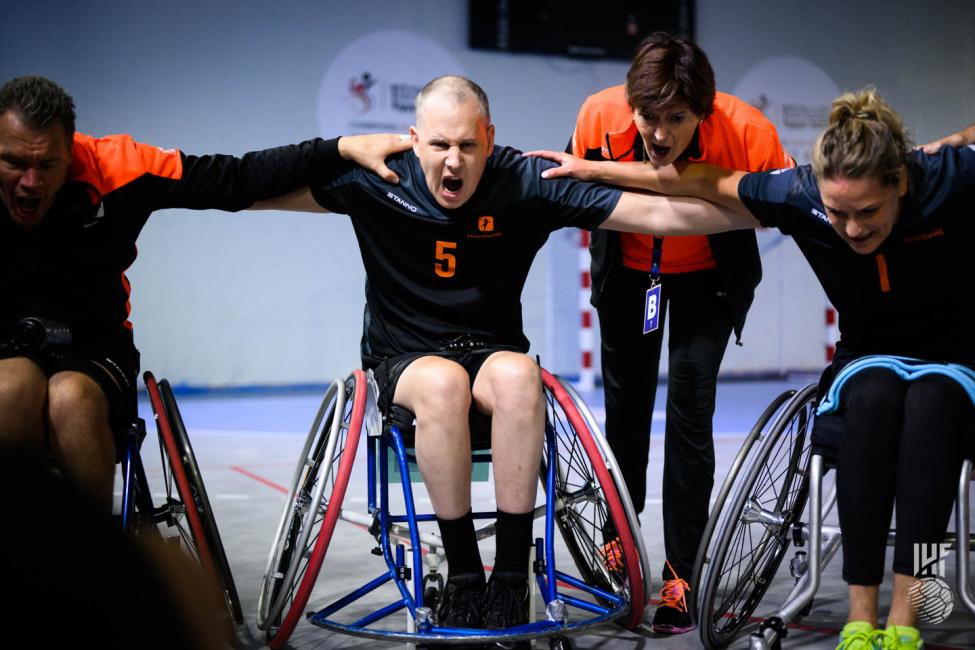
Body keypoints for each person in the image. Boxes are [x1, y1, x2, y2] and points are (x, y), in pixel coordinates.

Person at [254, 74, 751, 641]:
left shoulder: (524, 181)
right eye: (439, 145)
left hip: (491, 354)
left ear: (489, 139)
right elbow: (255, 189)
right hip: (407, 359)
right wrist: (328, 149)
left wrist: (773, 211)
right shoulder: (378, 178)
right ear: (413, 140)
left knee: (521, 376)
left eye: (467, 145)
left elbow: (659, 216)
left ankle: (511, 575)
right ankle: (466, 575)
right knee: (442, 385)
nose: (453, 161)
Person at [531, 88, 975, 650]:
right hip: (869, 354)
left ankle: (907, 618)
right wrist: (591, 168)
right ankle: (862, 619)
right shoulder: (799, 194)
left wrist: (959, 137)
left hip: (953, 356)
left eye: (868, 212)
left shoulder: (949, 177)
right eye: (839, 214)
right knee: (877, 402)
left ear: (901, 184)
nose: (854, 229)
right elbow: (699, 180)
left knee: (932, 409)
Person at [0, 75, 408, 513]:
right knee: (11, 387)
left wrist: (341, 148)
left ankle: (96, 562)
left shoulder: (118, 166)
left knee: (71, 399)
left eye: (46, 166)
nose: (29, 182)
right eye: (13, 162)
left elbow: (236, 177)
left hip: (93, 349)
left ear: (72, 150)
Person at [539, 31, 791, 633]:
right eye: (649, 116)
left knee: (689, 411)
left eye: (676, 118)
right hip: (630, 276)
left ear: (703, 111)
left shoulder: (750, 131)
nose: (658, 133)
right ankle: (618, 545)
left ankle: (682, 571)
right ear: (630, 107)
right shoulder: (597, 113)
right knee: (625, 411)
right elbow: (571, 191)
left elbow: (788, 205)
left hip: (710, 279)